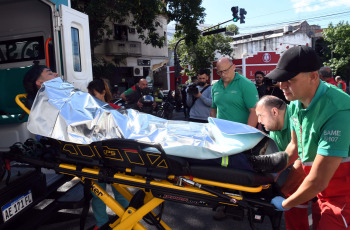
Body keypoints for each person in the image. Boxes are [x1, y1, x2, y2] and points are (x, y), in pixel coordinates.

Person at [266, 46, 350, 230]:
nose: (282, 86)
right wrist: (268, 170)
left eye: (289, 80)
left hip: (343, 196)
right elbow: (295, 148)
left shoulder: (339, 109)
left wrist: (285, 204)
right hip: (322, 191)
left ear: (313, 76)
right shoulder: (295, 103)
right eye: (281, 80)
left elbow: (318, 180)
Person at [256, 95, 309, 230]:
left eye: (261, 116)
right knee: (294, 206)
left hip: (333, 170)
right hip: (308, 165)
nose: (259, 121)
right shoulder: (275, 127)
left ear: (274, 112)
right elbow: (279, 163)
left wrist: (281, 193)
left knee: (325, 215)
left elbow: (303, 162)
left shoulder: (298, 117)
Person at [87, 78, 129, 230]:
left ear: (103, 92)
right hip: (96, 157)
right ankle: (101, 223)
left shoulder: (115, 110)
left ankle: (127, 219)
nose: (91, 98)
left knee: (120, 190)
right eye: (89, 95)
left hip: (114, 156)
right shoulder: (89, 112)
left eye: (94, 94)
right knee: (98, 193)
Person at [210, 57, 259, 127]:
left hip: (240, 133)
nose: (223, 74)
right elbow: (213, 110)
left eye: (225, 70)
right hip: (221, 133)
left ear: (233, 67)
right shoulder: (215, 86)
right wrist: (212, 128)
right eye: (220, 72)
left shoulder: (246, 84)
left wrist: (247, 133)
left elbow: (254, 111)